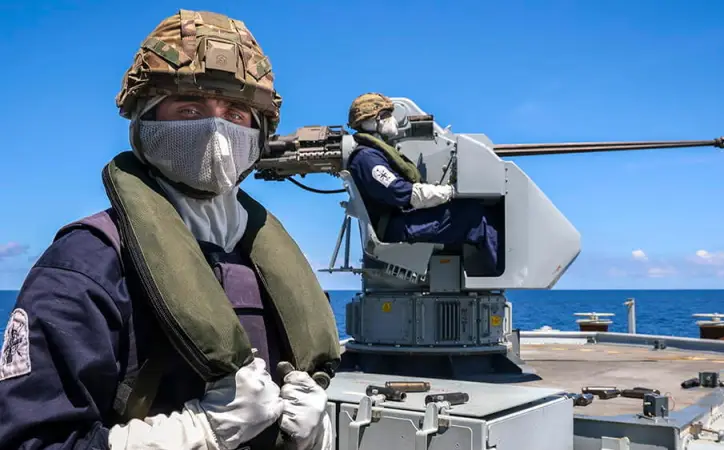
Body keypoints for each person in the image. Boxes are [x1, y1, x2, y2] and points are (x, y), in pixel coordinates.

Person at [0, 9, 340, 450]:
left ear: (258, 133)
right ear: (146, 122)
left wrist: (318, 433)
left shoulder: (268, 264)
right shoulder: (87, 265)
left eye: (235, 113)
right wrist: (196, 432)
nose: (216, 130)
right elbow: (31, 441)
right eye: (189, 109)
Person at [345, 93, 501, 275]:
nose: (392, 120)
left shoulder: (371, 154)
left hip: (397, 221)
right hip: (395, 227)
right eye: (386, 115)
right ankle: (498, 274)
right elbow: (400, 192)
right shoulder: (367, 158)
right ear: (373, 121)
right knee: (475, 216)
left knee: (468, 210)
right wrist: (450, 192)